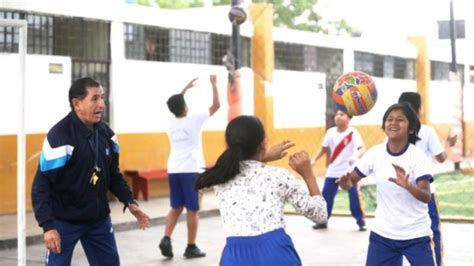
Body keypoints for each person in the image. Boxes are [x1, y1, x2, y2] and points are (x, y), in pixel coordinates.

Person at [31, 77, 150, 266]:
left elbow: (113, 175)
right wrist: (48, 226)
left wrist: (129, 201)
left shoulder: (108, 135)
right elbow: (41, 185)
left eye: (102, 98)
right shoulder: (60, 136)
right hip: (64, 221)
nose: (101, 104)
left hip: (98, 220)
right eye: (95, 99)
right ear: (76, 104)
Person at [195, 115, 328, 266]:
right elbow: (321, 215)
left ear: (228, 145)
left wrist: (262, 156)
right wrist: (308, 175)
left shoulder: (220, 178)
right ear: (263, 144)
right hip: (275, 255)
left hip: (234, 258)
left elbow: (245, 168)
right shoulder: (279, 177)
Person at [338, 103, 436, 266]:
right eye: (389, 119)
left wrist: (408, 185)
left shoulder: (418, 157)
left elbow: (426, 196)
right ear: (384, 126)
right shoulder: (375, 153)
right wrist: (344, 182)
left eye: (400, 120)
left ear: (411, 129)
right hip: (383, 236)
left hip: (416, 235)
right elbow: (349, 183)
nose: (393, 123)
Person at [159, 75, 220, 259]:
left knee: (176, 206)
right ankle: (191, 246)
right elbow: (216, 106)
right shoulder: (194, 119)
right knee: (193, 209)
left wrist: (185, 88)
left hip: (174, 170)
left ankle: (166, 238)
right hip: (191, 170)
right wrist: (214, 84)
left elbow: (175, 102)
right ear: (185, 106)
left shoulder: (171, 122)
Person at [399, 91, 457, 266]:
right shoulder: (427, 131)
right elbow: (441, 157)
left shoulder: (394, 131)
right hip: (423, 191)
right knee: (432, 232)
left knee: (398, 233)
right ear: (419, 109)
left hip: (400, 189)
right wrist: (448, 143)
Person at [311, 110, 366, 231]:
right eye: (336, 115)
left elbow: (362, 148)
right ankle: (322, 221)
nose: (338, 117)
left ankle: (360, 221)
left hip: (349, 171)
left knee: (354, 196)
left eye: (341, 115)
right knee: (326, 196)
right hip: (333, 171)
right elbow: (324, 149)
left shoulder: (353, 132)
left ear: (349, 118)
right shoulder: (330, 132)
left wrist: (355, 156)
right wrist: (314, 159)